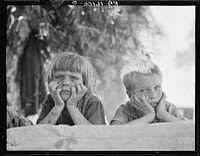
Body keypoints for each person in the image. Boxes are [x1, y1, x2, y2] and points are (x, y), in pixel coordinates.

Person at [111, 58, 189, 125]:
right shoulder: (124, 110)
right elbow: (112, 134)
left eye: (157, 87)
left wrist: (162, 114)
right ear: (130, 95)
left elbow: (191, 130)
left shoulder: (169, 108)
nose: (153, 95)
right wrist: (148, 117)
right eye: (144, 90)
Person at [36, 52, 106, 125]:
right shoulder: (50, 100)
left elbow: (95, 134)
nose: (65, 82)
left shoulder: (92, 102)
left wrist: (72, 106)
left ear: (84, 83)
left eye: (73, 78)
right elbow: (38, 133)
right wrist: (58, 106)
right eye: (59, 77)